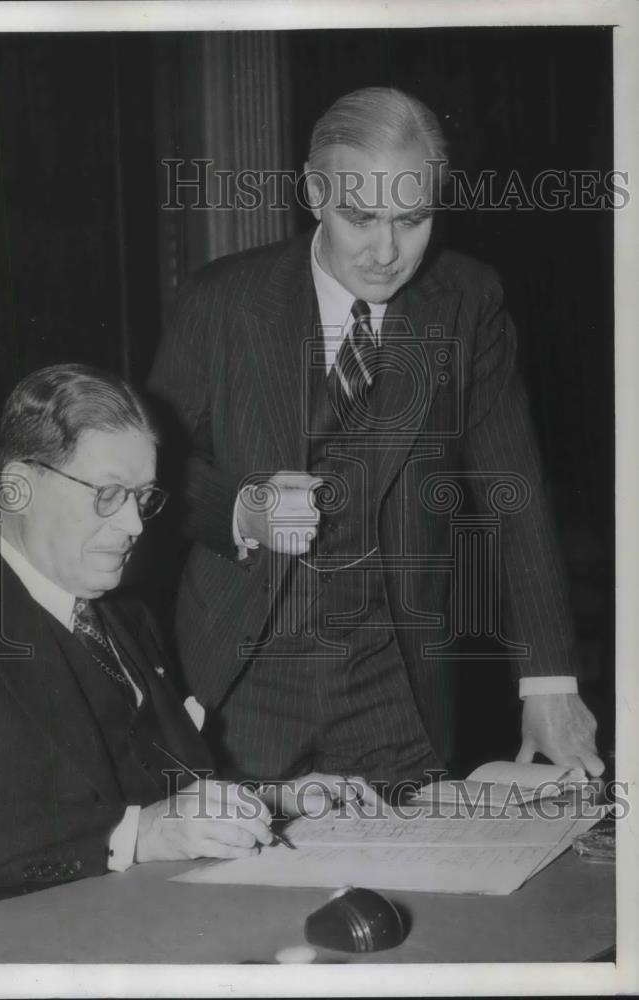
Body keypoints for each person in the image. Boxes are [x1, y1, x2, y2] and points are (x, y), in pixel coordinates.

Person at [148, 87, 604, 788]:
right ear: (313, 193)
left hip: (396, 691)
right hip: (242, 681)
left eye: (412, 219)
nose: (387, 251)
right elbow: (152, 472)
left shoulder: (467, 301)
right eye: (359, 217)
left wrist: (548, 682)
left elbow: (514, 494)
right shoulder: (221, 301)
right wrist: (239, 508)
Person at [0, 364, 367, 921]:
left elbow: (163, 786)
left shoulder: (126, 616)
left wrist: (278, 799)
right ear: (19, 489)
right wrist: (139, 832)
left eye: (143, 498)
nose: (134, 524)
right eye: (108, 494)